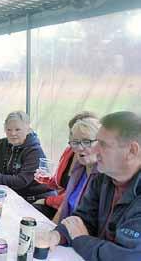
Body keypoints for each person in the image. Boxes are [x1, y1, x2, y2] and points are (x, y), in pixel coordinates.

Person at [47, 111, 141, 261]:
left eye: (103, 144)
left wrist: (81, 239)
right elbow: (82, 219)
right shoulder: (105, 178)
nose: (95, 150)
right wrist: (57, 235)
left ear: (132, 151)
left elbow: (125, 256)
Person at [0, 111, 53, 202]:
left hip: (35, 199)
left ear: (27, 129)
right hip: (12, 194)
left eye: (17, 130)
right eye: (9, 130)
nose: (13, 133)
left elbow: (21, 181)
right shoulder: (1, 144)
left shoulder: (34, 151)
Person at [33, 111, 98, 220]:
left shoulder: (103, 174)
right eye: (75, 141)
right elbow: (66, 199)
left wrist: (47, 200)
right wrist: (47, 180)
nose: (80, 147)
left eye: (86, 141)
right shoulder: (77, 163)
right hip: (64, 213)